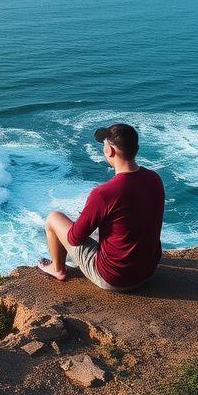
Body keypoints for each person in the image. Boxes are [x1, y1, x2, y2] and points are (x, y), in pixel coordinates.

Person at [39, 123, 164, 291]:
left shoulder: (104, 193)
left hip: (115, 278)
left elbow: (74, 238)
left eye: (104, 144)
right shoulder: (154, 179)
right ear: (136, 148)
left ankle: (57, 269)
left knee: (53, 218)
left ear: (110, 151)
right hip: (147, 271)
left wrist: (87, 216)